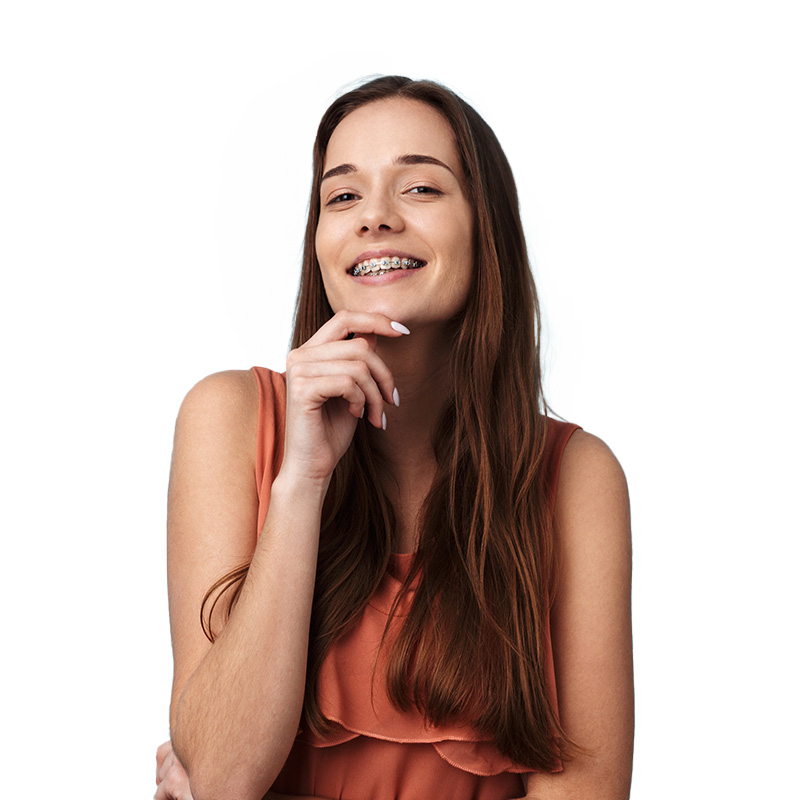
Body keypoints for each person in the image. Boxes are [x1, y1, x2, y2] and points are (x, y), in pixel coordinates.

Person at [155, 75, 634, 800]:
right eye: (342, 196)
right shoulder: (228, 419)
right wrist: (301, 485)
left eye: (420, 188)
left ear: (486, 228)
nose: (373, 218)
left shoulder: (576, 479)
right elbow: (224, 774)